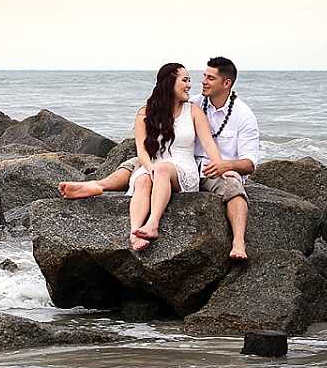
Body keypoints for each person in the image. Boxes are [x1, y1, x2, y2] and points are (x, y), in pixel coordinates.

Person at [59, 57, 259, 259]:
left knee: (231, 186)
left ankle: (237, 242)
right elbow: (144, 147)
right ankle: (104, 192)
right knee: (137, 168)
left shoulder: (241, 115)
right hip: (164, 159)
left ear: (226, 83)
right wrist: (147, 164)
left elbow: (239, 157)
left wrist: (225, 166)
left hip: (203, 167)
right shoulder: (194, 101)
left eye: (210, 78)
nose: (200, 82)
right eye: (200, 77)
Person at [125, 63, 224, 251]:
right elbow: (141, 150)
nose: (189, 85)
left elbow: (209, 143)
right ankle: (134, 233)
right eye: (184, 80)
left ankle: (153, 223)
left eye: (189, 81)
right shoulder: (145, 113)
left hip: (182, 168)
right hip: (152, 164)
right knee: (143, 181)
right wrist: (149, 167)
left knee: (162, 170)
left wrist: (222, 167)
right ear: (170, 83)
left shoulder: (193, 111)